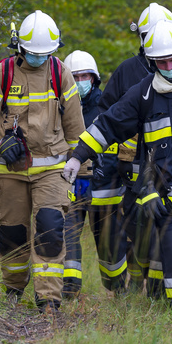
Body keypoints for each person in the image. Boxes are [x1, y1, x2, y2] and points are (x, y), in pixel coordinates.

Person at [63, 21, 172, 310]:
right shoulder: (142, 94)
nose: (168, 66)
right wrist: (78, 155)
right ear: (152, 62)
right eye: (161, 62)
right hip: (164, 197)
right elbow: (109, 124)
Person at [0, 10, 85, 313]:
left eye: (43, 54)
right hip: (9, 170)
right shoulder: (2, 74)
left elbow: (75, 125)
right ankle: (13, 290)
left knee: (49, 228)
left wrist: (83, 166)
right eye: (32, 54)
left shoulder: (60, 73)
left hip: (52, 169)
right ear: (19, 46)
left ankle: (49, 300)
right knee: (12, 233)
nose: (37, 59)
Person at [91, 2, 172, 296]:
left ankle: (156, 290)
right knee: (138, 225)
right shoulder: (128, 71)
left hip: (167, 163)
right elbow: (106, 115)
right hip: (130, 165)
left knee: (164, 222)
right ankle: (134, 283)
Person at [61, 50, 103, 299]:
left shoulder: (107, 105)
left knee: (107, 239)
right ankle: (70, 287)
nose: (80, 81)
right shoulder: (60, 105)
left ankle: (117, 287)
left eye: (85, 75)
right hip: (72, 181)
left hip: (101, 182)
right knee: (69, 232)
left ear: (94, 78)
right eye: (74, 76)